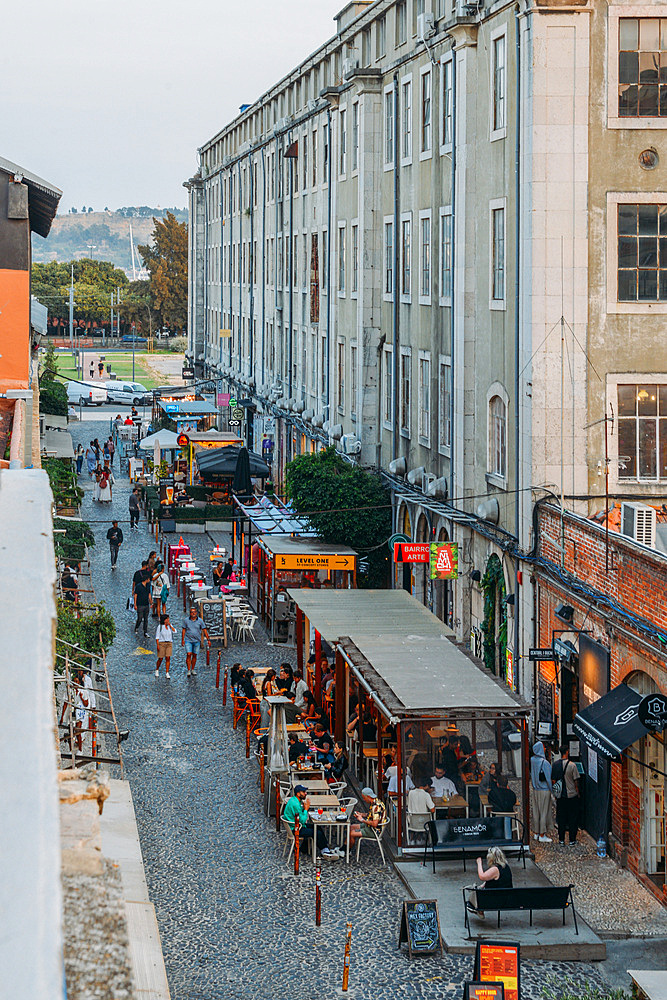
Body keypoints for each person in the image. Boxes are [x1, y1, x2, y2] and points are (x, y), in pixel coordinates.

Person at [282, 785, 338, 858]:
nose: (305, 793)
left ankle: (319, 848)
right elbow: (302, 820)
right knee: (316, 832)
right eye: (303, 792)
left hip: (295, 825)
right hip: (295, 828)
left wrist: (304, 808)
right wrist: (306, 809)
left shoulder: (295, 800)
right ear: (298, 794)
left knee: (317, 827)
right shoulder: (295, 804)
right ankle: (325, 851)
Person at [552, 744, 580, 846]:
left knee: (561, 817)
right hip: (571, 795)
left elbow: (553, 780)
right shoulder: (572, 765)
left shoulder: (555, 765)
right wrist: (578, 792)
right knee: (573, 817)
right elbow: (576, 781)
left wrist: (556, 793)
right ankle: (572, 839)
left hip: (560, 796)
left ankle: (561, 839)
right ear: (567, 752)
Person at [530, 741, 553, 843]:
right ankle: (542, 834)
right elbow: (549, 779)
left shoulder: (532, 760)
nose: (544, 749)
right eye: (543, 747)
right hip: (544, 790)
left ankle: (536, 832)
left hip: (535, 789)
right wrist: (553, 791)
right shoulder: (545, 763)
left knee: (536, 812)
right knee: (544, 812)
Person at [181, 606, 210, 677]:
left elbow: (204, 629)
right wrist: (182, 639)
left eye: (194, 612)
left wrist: (208, 639)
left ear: (196, 613)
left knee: (194, 655)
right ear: (190, 613)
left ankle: (192, 669)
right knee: (188, 654)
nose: (193, 613)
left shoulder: (200, 621)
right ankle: (188, 670)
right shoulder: (186, 620)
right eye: (192, 612)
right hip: (188, 640)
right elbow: (184, 630)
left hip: (197, 640)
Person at [155, 614, 176, 678]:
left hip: (169, 643)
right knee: (160, 658)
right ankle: (157, 669)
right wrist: (158, 645)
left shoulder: (170, 626)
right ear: (164, 620)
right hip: (162, 643)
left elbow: (175, 631)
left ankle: (167, 672)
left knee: (168, 657)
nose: (168, 620)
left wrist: (170, 625)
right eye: (167, 619)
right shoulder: (160, 627)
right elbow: (157, 637)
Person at [134, 570, 152, 638]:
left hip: (146, 604)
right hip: (140, 604)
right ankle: (136, 627)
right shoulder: (138, 586)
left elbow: (149, 594)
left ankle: (145, 631)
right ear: (146, 579)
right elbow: (135, 595)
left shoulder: (148, 585)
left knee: (146, 619)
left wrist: (150, 602)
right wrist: (135, 604)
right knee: (140, 618)